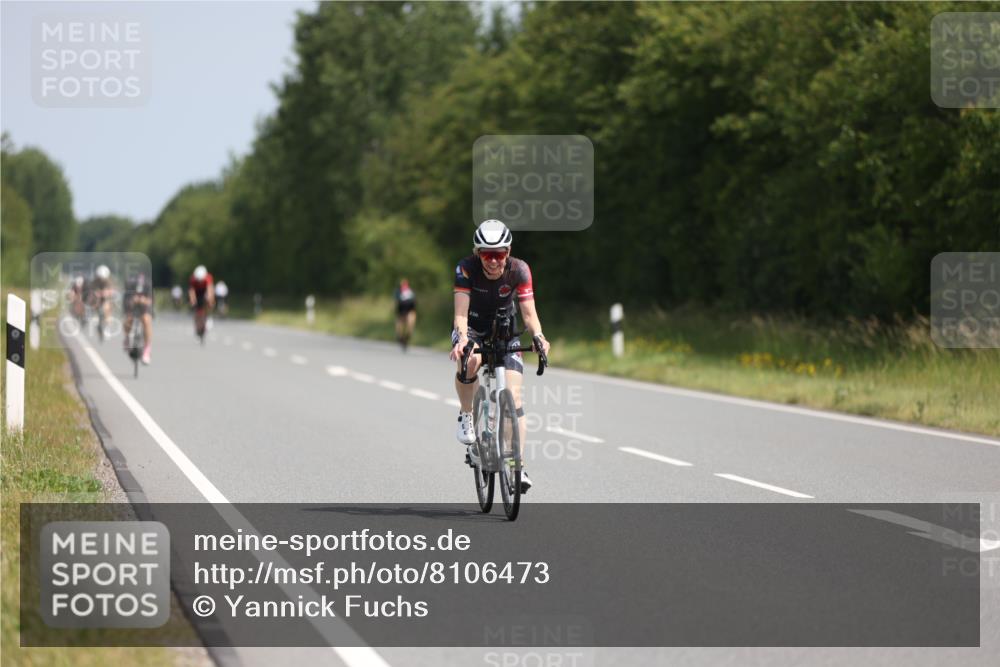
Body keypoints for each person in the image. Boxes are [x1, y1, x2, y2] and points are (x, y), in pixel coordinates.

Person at [449, 220, 550, 494]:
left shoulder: (519, 269)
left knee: (514, 399)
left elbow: (529, 315)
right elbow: (460, 313)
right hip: (472, 329)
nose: (493, 261)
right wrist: (462, 339)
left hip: (506, 332)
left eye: (499, 254)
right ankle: (467, 414)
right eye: (486, 254)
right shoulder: (466, 268)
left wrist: (539, 337)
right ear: (477, 252)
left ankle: (518, 465)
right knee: (468, 361)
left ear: (508, 251)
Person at [123, 271, 153, 364]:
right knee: (128, 319)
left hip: (144, 309)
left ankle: (147, 349)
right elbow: (126, 302)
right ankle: (127, 338)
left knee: (146, 320)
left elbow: (150, 301)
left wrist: (143, 300)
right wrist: (133, 300)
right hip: (132, 308)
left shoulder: (148, 286)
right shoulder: (130, 286)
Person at [88, 264, 115, 340]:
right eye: (100, 278)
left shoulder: (109, 281)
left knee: (107, 307)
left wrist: (106, 293)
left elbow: (111, 291)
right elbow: (91, 291)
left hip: (106, 298)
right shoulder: (94, 281)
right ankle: (94, 316)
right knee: (94, 303)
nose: (101, 280)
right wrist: (94, 295)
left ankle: (107, 326)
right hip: (97, 298)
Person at [188, 265, 215, 341]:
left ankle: (207, 317)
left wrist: (210, 301)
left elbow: (210, 290)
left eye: (201, 280)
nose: (200, 281)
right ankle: (197, 326)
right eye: (198, 280)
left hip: (205, 291)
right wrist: (193, 301)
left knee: (208, 302)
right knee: (196, 309)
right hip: (197, 292)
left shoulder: (208, 278)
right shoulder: (193, 279)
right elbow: (191, 291)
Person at [394, 278, 417, 351]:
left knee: (410, 325)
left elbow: (414, 303)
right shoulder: (398, 292)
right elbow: (396, 303)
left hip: (410, 310)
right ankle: (400, 338)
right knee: (399, 326)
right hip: (401, 311)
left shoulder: (411, 292)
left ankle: (407, 337)